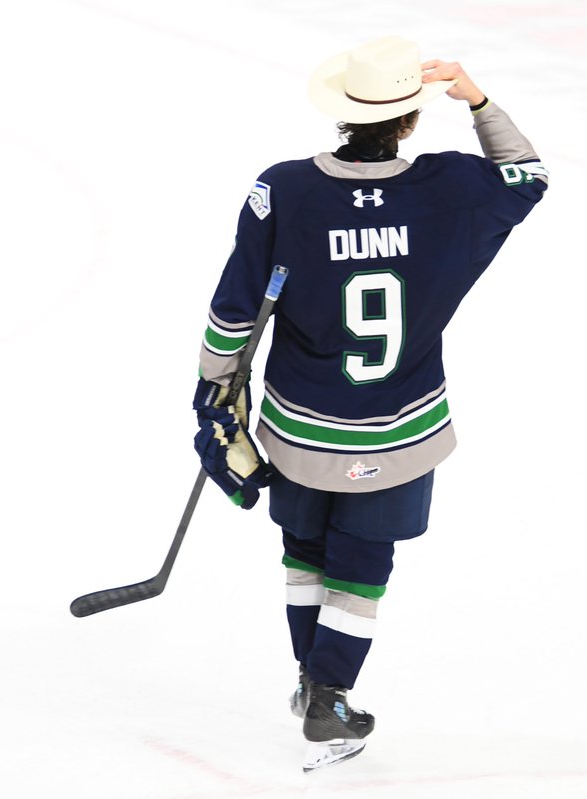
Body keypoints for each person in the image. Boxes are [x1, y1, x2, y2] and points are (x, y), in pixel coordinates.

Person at [191, 35, 547, 772]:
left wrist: (213, 391)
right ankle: (330, 694)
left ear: (343, 111)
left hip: (299, 429)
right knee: (361, 563)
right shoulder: (454, 188)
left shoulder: (284, 189)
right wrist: (476, 99)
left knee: (304, 549)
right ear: (412, 118)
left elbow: (236, 308)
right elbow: (527, 174)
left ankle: (310, 681)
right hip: (400, 432)